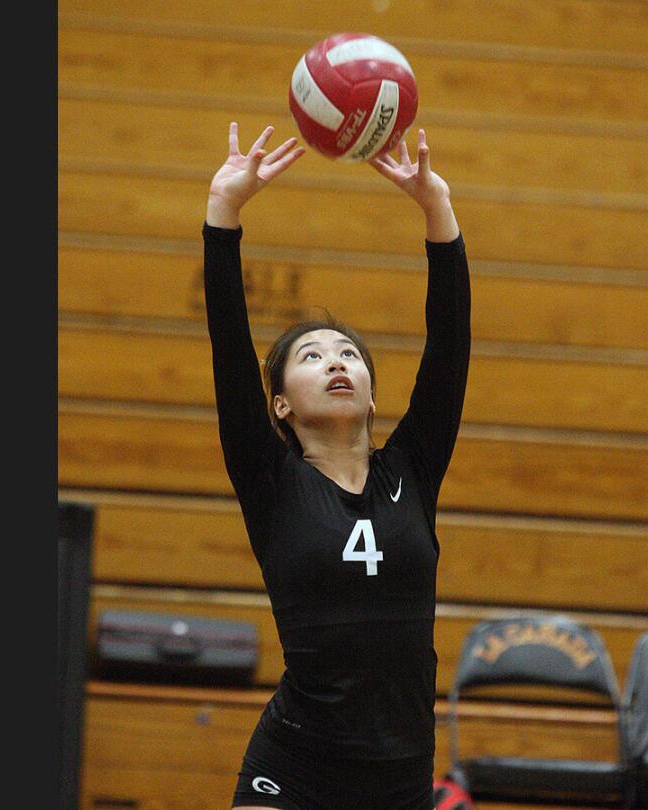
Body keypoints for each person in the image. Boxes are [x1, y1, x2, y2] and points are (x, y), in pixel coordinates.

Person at [203, 121, 469, 810]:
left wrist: (436, 211)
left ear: (373, 394)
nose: (336, 362)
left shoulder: (414, 467)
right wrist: (223, 215)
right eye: (312, 357)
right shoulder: (272, 482)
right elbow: (231, 350)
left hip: (400, 776)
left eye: (348, 354)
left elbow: (449, 350)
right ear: (282, 406)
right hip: (295, 768)